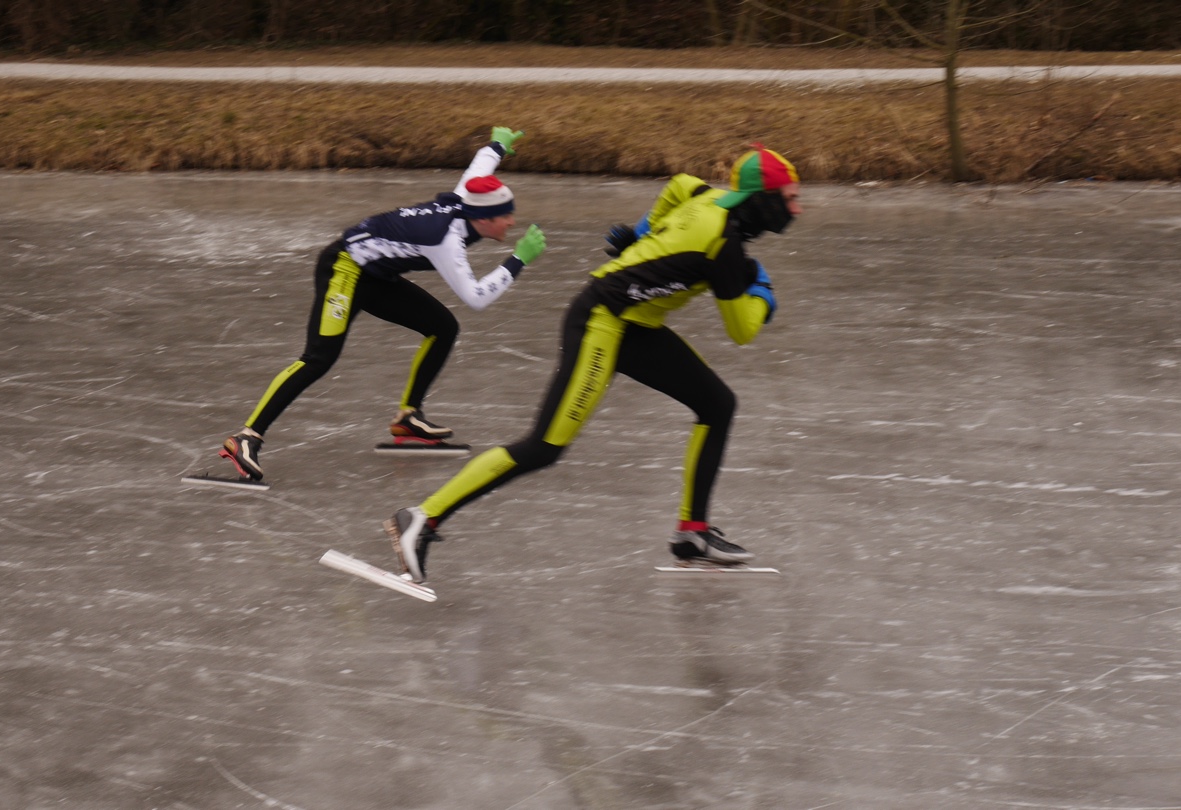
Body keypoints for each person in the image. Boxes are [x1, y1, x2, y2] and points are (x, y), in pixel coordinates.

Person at [384, 144, 803, 583]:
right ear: (764, 201)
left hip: (637, 326)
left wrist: (644, 235)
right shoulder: (724, 248)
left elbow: (679, 186)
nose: (797, 208)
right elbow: (743, 330)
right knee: (543, 447)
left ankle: (693, 533)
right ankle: (422, 517)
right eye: (790, 198)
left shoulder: (711, 197)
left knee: (717, 404)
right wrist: (762, 290)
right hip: (601, 324)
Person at [218, 126, 547, 483]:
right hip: (344, 270)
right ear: (483, 220)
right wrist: (519, 260)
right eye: (506, 216)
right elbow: (476, 297)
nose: (512, 222)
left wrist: (498, 144)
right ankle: (246, 437)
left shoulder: (466, 200)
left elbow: (480, 167)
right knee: (318, 358)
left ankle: (408, 419)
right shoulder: (445, 241)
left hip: (375, 276)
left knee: (442, 328)